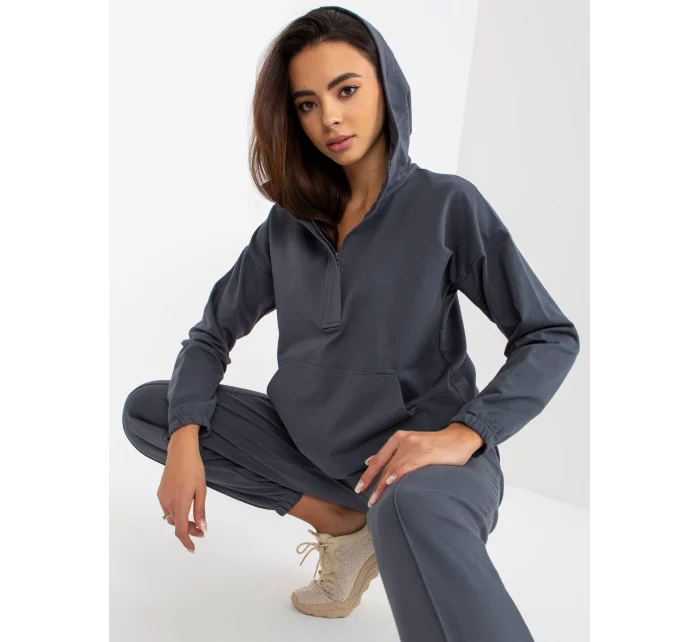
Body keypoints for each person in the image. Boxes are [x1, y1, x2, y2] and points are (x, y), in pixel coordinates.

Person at [122, 5, 580, 640]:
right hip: (315, 455)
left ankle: (380, 518)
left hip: (420, 465)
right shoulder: (286, 227)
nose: (330, 118)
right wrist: (182, 443)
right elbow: (210, 336)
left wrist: (466, 433)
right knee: (155, 410)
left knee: (409, 509)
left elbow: (548, 335)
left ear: (386, 88)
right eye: (308, 104)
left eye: (346, 91)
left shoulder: (446, 205)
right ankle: (341, 524)